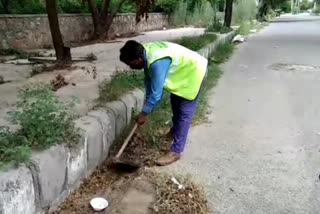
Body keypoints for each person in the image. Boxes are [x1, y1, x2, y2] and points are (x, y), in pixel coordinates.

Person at [119, 40, 207, 166]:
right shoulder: (146, 55)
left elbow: (156, 95)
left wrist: (144, 114)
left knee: (184, 114)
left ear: (138, 58)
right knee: (175, 104)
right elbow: (150, 88)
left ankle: (176, 151)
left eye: (130, 63)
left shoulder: (156, 62)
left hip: (194, 72)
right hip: (183, 73)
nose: (130, 67)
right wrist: (146, 109)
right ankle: (175, 132)